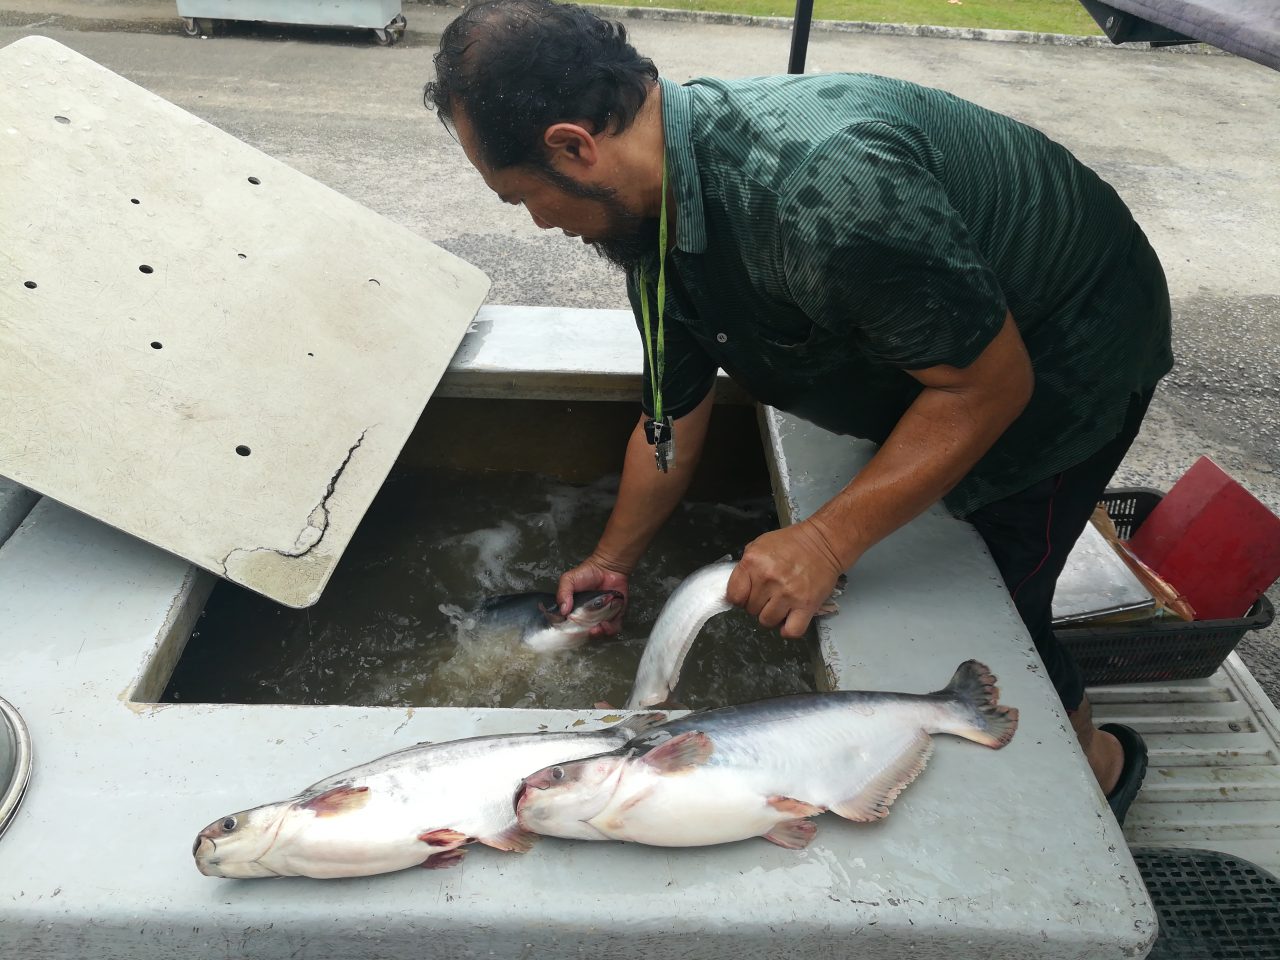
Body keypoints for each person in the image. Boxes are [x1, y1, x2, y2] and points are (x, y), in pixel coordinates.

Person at [424, 0, 1170, 823]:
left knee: (1002, 601)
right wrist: (614, 560)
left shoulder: (823, 192)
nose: (540, 223)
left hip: (1069, 355)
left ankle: (1102, 777)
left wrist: (823, 539)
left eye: (520, 197)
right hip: (951, 345)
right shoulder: (657, 220)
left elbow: (989, 389)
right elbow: (673, 413)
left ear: (575, 145)